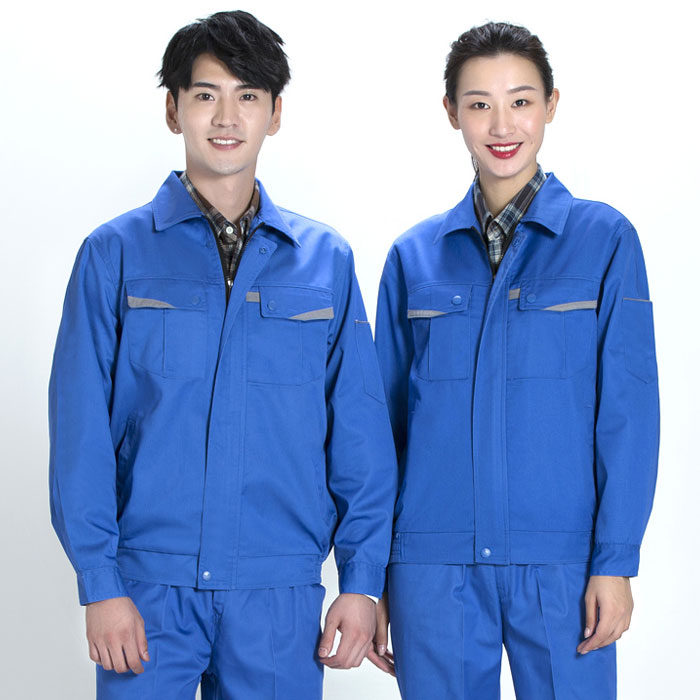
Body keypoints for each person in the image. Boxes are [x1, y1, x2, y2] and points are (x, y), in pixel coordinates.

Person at [49, 10, 396, 699]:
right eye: (206, 94)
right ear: (173, 109)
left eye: (249, 96)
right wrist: (100, 582)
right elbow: (80, 430)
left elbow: (359, 435)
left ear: (275, 113)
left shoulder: (324, 263)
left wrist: (361, 583)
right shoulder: (113, 255)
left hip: (278, 593)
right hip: (147, 590)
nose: (227, 117)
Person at [369, 21, 659, 699]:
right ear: (452, 112)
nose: (502, 125)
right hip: (432, 564)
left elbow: (628, 413)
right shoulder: (413, 258)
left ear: (551, 104)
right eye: (479, 104)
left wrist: (615, 561)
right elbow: (381, 432)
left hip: (562, 563)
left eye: (521, 101)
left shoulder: (605, 240)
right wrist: (370, 576)